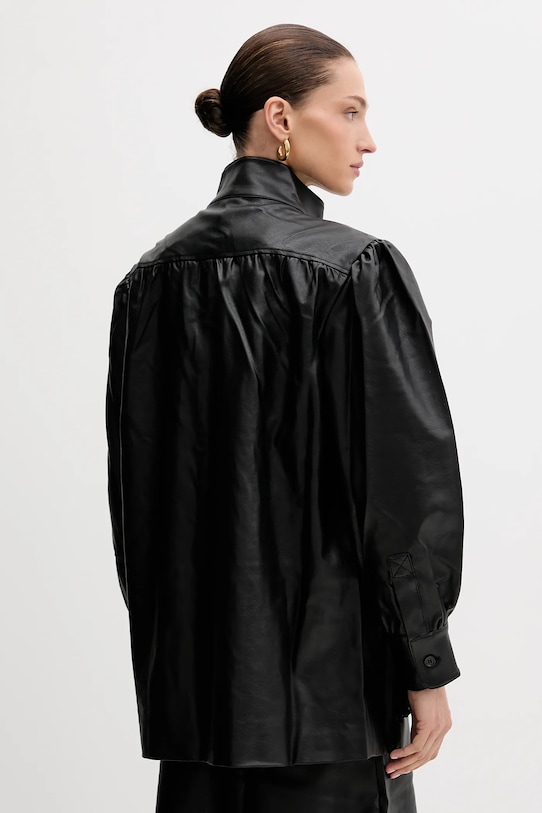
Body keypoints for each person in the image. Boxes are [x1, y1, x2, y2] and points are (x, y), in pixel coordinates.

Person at [106, 23, 464, 813]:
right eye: (350, 111)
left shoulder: (147, 283)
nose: (367, 140)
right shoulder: (355, 270)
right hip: (335, 712)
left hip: (197, 716)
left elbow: (138, 512)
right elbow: (402, 492)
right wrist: (426, 662)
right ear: (279, 117)